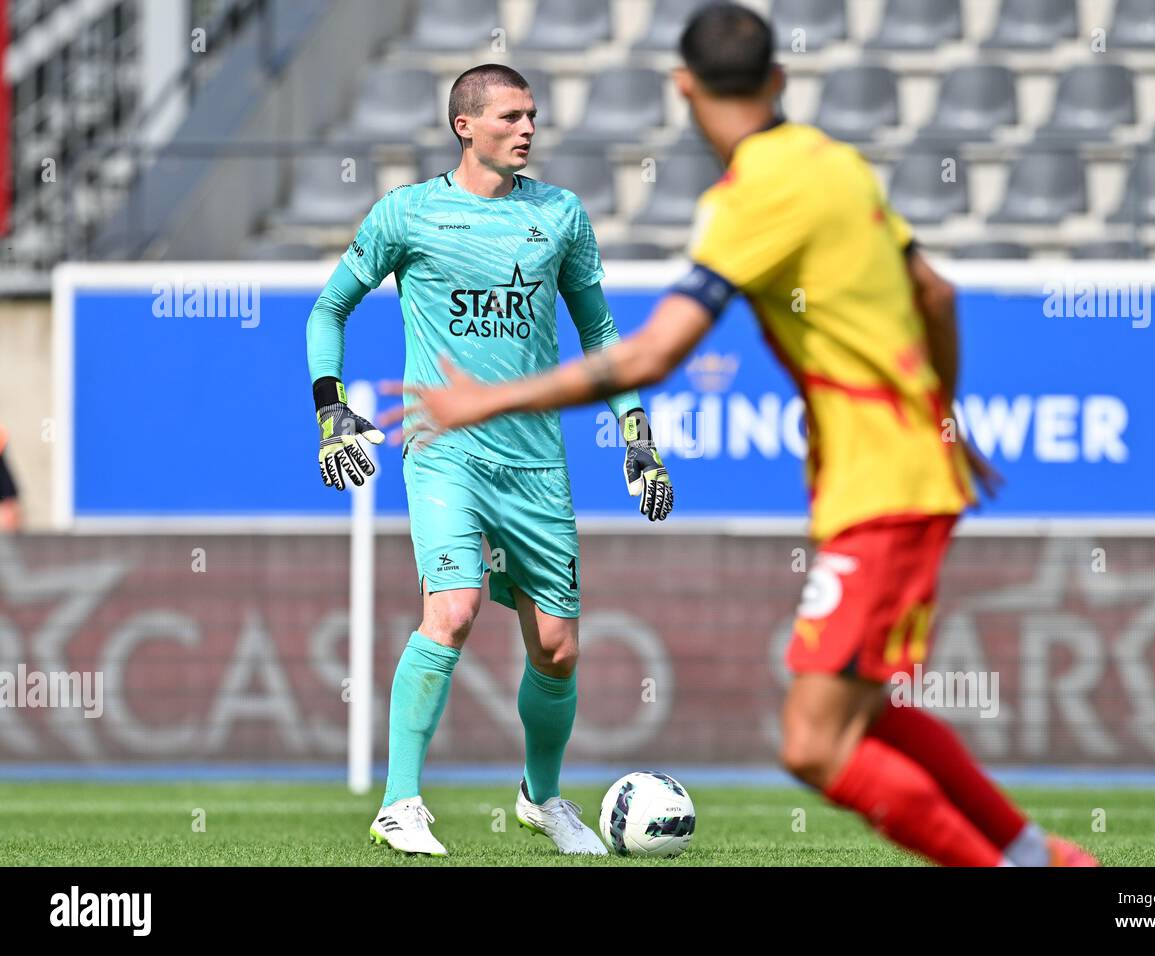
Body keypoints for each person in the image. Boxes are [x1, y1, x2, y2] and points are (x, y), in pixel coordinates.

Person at [381, 6, 1097, 866]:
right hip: (903, 473)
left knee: (813, 744)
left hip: (881, 488)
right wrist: (945, 416)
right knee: (869, 709)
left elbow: (648, 353)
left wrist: (483, 402)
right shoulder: (837, 163)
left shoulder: (753, 193)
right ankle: (1040, 857)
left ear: (685, 87)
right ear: (780, 78)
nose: (529, 130)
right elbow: (936, 295)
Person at [306, 64, 673, 857]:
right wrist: (330, 409)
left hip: (537, 465)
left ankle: (541, 801)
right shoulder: (407, 214)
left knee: (559, 647)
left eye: (533, 115)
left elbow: (602, 336)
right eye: (511, 115)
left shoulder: (561, 216)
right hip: (445, 455)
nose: (528, 128)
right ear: (464, 125)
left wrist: (637, 439)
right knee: (455, 607)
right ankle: (400, 803)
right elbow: (329, 308)